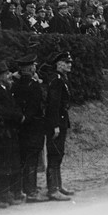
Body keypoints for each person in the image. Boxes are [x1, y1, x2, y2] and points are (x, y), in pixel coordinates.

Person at [0, 61, 26, 207]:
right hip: (1, 132)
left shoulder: (5, 89)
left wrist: (19, 115)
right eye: (6, 73)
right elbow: (1, 111)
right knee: (2, 163)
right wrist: (18, 117)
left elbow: (13, 106)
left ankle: (8, 193)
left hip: (9, 131)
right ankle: (2, 194)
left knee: (10, 162)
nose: (9, 76)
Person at [11, 54, 48, 202]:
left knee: (23, 159)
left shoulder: (15, 85)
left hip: (21, 127)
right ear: (31, 68)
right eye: (34, 66)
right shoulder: (34, 86)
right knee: (32, 159)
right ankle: (31, 191)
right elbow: (36, 107)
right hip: (34, 127)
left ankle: (23, 189)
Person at [45, 52, 75, 201]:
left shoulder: (62, 79)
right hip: (56, 123)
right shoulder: (56, 80)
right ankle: (52, 189)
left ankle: (58, 185)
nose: (69, 64)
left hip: (61, 121)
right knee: (54, 155)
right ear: (58, 64)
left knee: (59, 154)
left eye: (70, 62)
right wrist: (55, 125)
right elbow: (53, 105)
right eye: (66, 62)